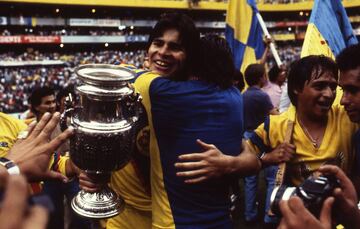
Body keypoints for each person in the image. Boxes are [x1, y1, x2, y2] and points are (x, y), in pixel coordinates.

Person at [176, 55, 359, 227]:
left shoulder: (348, 117)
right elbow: (247, 156)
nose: (329, 94)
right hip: (298, 221)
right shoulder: (276, 125)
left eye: (333, 87)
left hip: (346, 217)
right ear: (296, 87)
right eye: (319, 86)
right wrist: (263, 159)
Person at [279, 43, 360, 229]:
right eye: (343, 90)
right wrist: (265, 157)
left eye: (353, 91)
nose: (341, 99)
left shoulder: (346, 123)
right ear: (296, 89)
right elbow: (251, 152)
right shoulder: (358, 138)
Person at [0, 112, 74, 229]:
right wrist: (10, 166)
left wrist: (76, 166)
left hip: (33, 203)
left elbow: (51, 162)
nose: (50, 105)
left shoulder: (14, 125)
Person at [241, 63, 279, 225]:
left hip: (247, 137)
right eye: (264, 75)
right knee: (271, 177)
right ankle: (268, 216)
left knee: (250, 179)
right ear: (261, 78)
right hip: (263, 137)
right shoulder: (262, 96)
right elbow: (275, 115)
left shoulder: (243, 95)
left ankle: (249, 214)